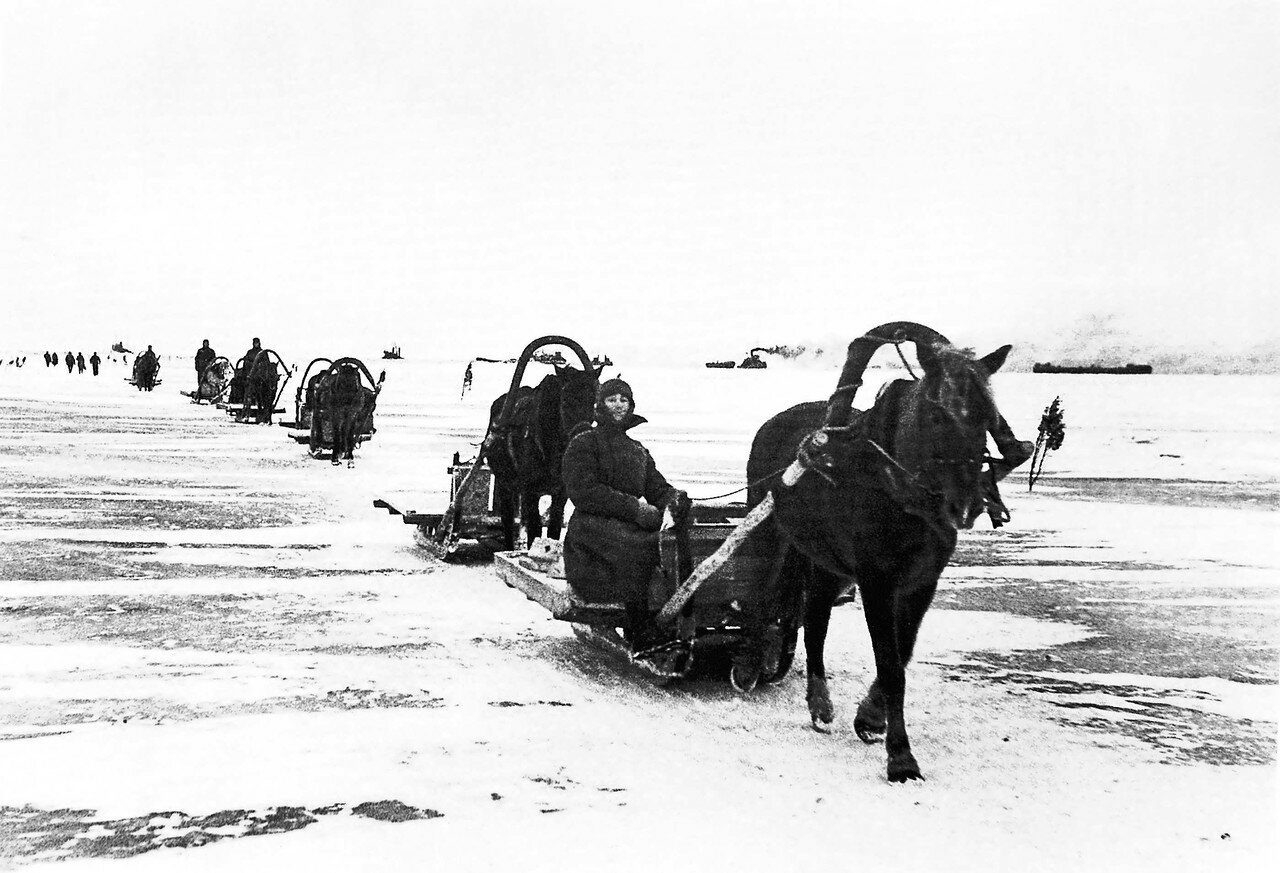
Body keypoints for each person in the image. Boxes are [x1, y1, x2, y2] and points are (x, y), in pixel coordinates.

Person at [561, 378, 690, 651]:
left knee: (669, 543)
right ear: (600, 405)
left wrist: (674, 499)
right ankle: (639, 627)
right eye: (612, 399)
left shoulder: (637, 450)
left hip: (627, 523)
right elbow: (584, 492)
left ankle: (669, 611)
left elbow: (657, 487)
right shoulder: (584, 443)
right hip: (589, 528)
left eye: (624, 400)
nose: (619, 405)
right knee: (641, 546)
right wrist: (634, 508)